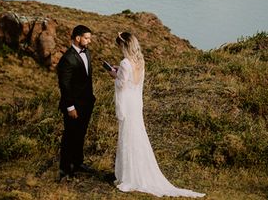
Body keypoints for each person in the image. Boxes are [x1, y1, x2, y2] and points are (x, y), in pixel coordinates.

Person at [109, 31, 204, 197]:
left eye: (119, 46)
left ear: (124, 46)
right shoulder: (140, 61)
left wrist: (113, 75)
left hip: (128, 104)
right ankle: (137, 171)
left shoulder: (125, 62)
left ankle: (129, 176)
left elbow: (122, 84)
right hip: (136, 103)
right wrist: (120, 73)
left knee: (127, 137)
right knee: (136, 136)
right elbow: (134, 81)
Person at [57, 24, 96, 180]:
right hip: (73, 106)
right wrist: (70, 107)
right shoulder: (67, 59)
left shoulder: (87, 53)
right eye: (87, 38)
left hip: (87, 103)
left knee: (81, 134)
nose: (89, 41)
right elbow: (64, 86)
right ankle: (64, 170)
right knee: (69, 137)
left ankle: (78, 163)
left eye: (90, 38)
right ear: (77, 38)